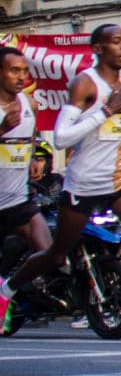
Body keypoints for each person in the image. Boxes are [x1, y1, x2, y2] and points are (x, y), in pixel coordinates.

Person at [0, 26, 121, 360]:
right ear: (98, 48)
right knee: (56, 255)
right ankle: (6, 290)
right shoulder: (84, 83)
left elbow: (111, 134)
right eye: (117, 43)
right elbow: (61, 138)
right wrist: (106, 111)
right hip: (83, 183)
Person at [0, 48, 54, 292]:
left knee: (49, 254)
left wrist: (31, 157)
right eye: (14, 71)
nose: (21, 77)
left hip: (19, 201)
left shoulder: (30, 104)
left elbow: (30, 135)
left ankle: (7, 291)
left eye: (24, 71)